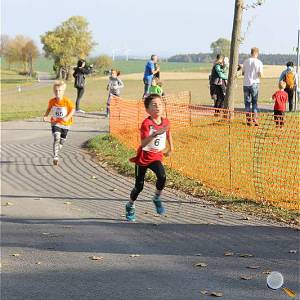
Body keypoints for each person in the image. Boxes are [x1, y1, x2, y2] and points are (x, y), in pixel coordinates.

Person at [126, 94, 174, 221]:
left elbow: (168, 133)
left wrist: (171, 148)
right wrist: (154, 134)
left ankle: (157, 197)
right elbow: (143, 144)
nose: (157, 107)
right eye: (154, 105)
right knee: (139, 186)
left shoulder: (166, 121)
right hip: (143, 158)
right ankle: (130, 205)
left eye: (160, 104)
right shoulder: (146, 123)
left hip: (156, 157)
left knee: (162, 177)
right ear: (147, 110)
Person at [43, 81, 75, 165]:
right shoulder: (52, 101)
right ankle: (56, 157)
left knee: (62, 141)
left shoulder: (67, 101)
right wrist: (46, 115)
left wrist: (67, 117)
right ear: (54, 91)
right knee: (56, 137)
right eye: (56, 91)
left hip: (66, 124)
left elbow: (73, 110)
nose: (58, 92)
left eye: (60, 90)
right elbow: (49, 108)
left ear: (63, 91)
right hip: (55, 122)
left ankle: (58, 148)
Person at [242, 47, 263, 126]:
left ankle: (248, 120)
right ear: (257, 53)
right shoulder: (259, 62)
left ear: (251, 53)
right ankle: (255, 120)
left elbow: (243, 73)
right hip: (255, 83)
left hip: (246, 84)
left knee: (247, 103)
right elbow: (260, 74)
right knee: (254, 103)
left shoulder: (246, 61)